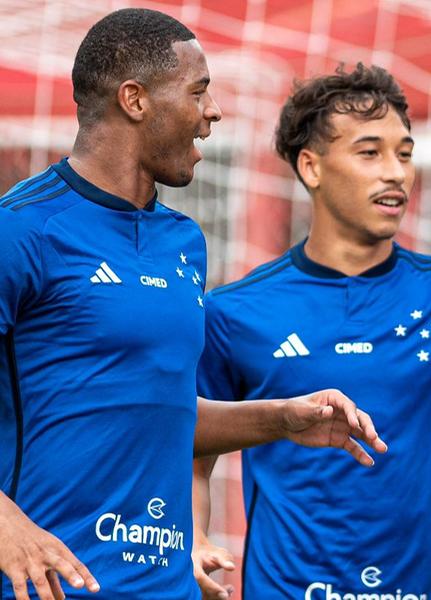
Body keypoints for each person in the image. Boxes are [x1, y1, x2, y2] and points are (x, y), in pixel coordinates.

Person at [0, 10, 385, 600]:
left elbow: (160, 410)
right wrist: (6, 525)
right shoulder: (23, 230)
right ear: (135, 99)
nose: (214, 112)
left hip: (167, 586)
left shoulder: (184, 243)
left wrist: (281, 417)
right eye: (199, 91)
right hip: (52, 586)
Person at [190, 64, 431, 600]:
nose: (396, 172)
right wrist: (195, 537)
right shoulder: (234, 311)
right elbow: (192, 453)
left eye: (404, 153)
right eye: (370, 153)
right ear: (312, 167)